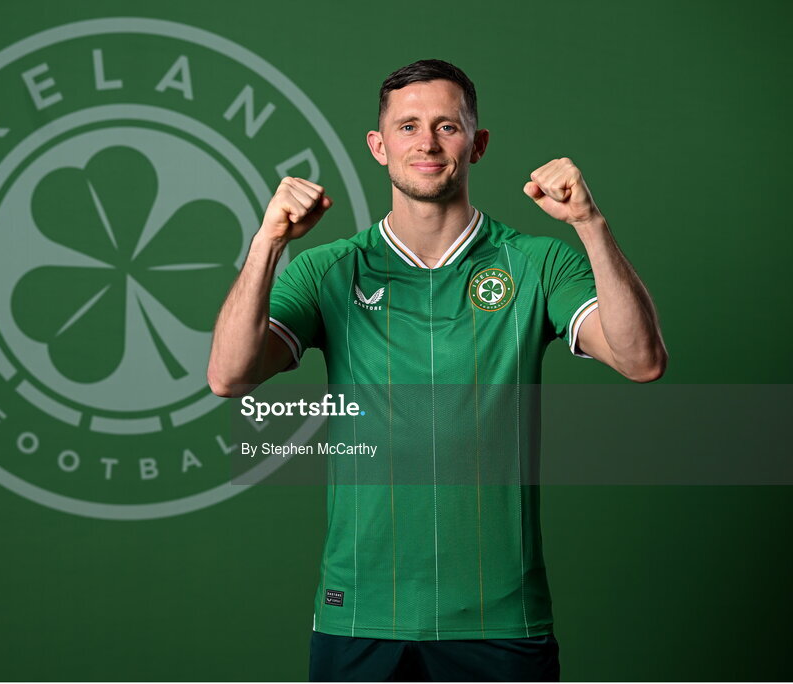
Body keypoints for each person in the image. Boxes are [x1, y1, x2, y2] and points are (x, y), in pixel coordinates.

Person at [207, 59, 667, 682]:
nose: (426, 143)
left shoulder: (536, 263)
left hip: (501, 617)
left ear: (477, 144)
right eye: (407, 127)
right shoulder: (328, 268)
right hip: (359, 613)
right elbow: (229, 377)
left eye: (447, 126)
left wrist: (591, 225)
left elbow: (642, 361)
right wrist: (268, 243)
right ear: (379, 146)